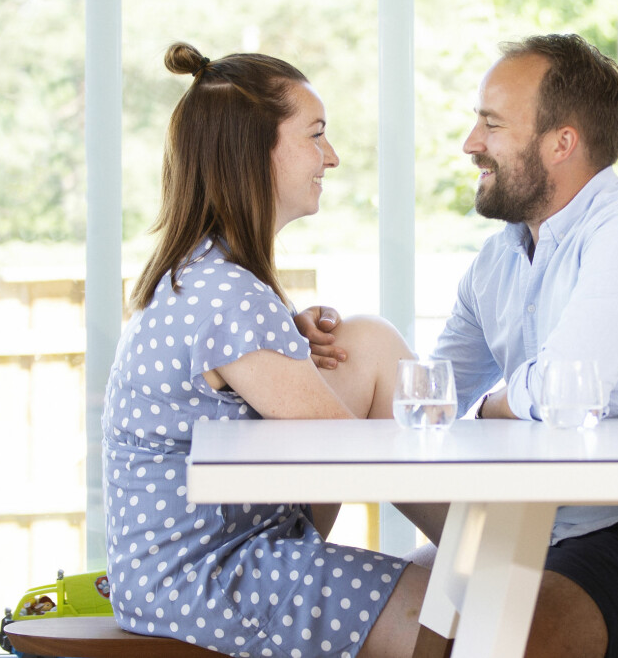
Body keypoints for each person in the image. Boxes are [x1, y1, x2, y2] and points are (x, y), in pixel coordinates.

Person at [302, 34, 618, 658]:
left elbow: (563, 387)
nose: (470, 144)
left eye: (491, 124)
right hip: (539, 523)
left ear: (562, 142)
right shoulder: (498, 261)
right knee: (390, 611)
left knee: (509, 633)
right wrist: (324, 343)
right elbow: (431, 397)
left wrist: (493, 405)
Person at [101, 42, 433, 658]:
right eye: (316, 135)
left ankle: (476, 549)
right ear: (256, 152)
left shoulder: (206, 277)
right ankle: (480, 549)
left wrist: (288, 334)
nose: (330, 157)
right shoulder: (228, 295)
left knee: (364, 340)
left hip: (174, 576)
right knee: (478, 617)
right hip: (212, 581)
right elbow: (348, 454)